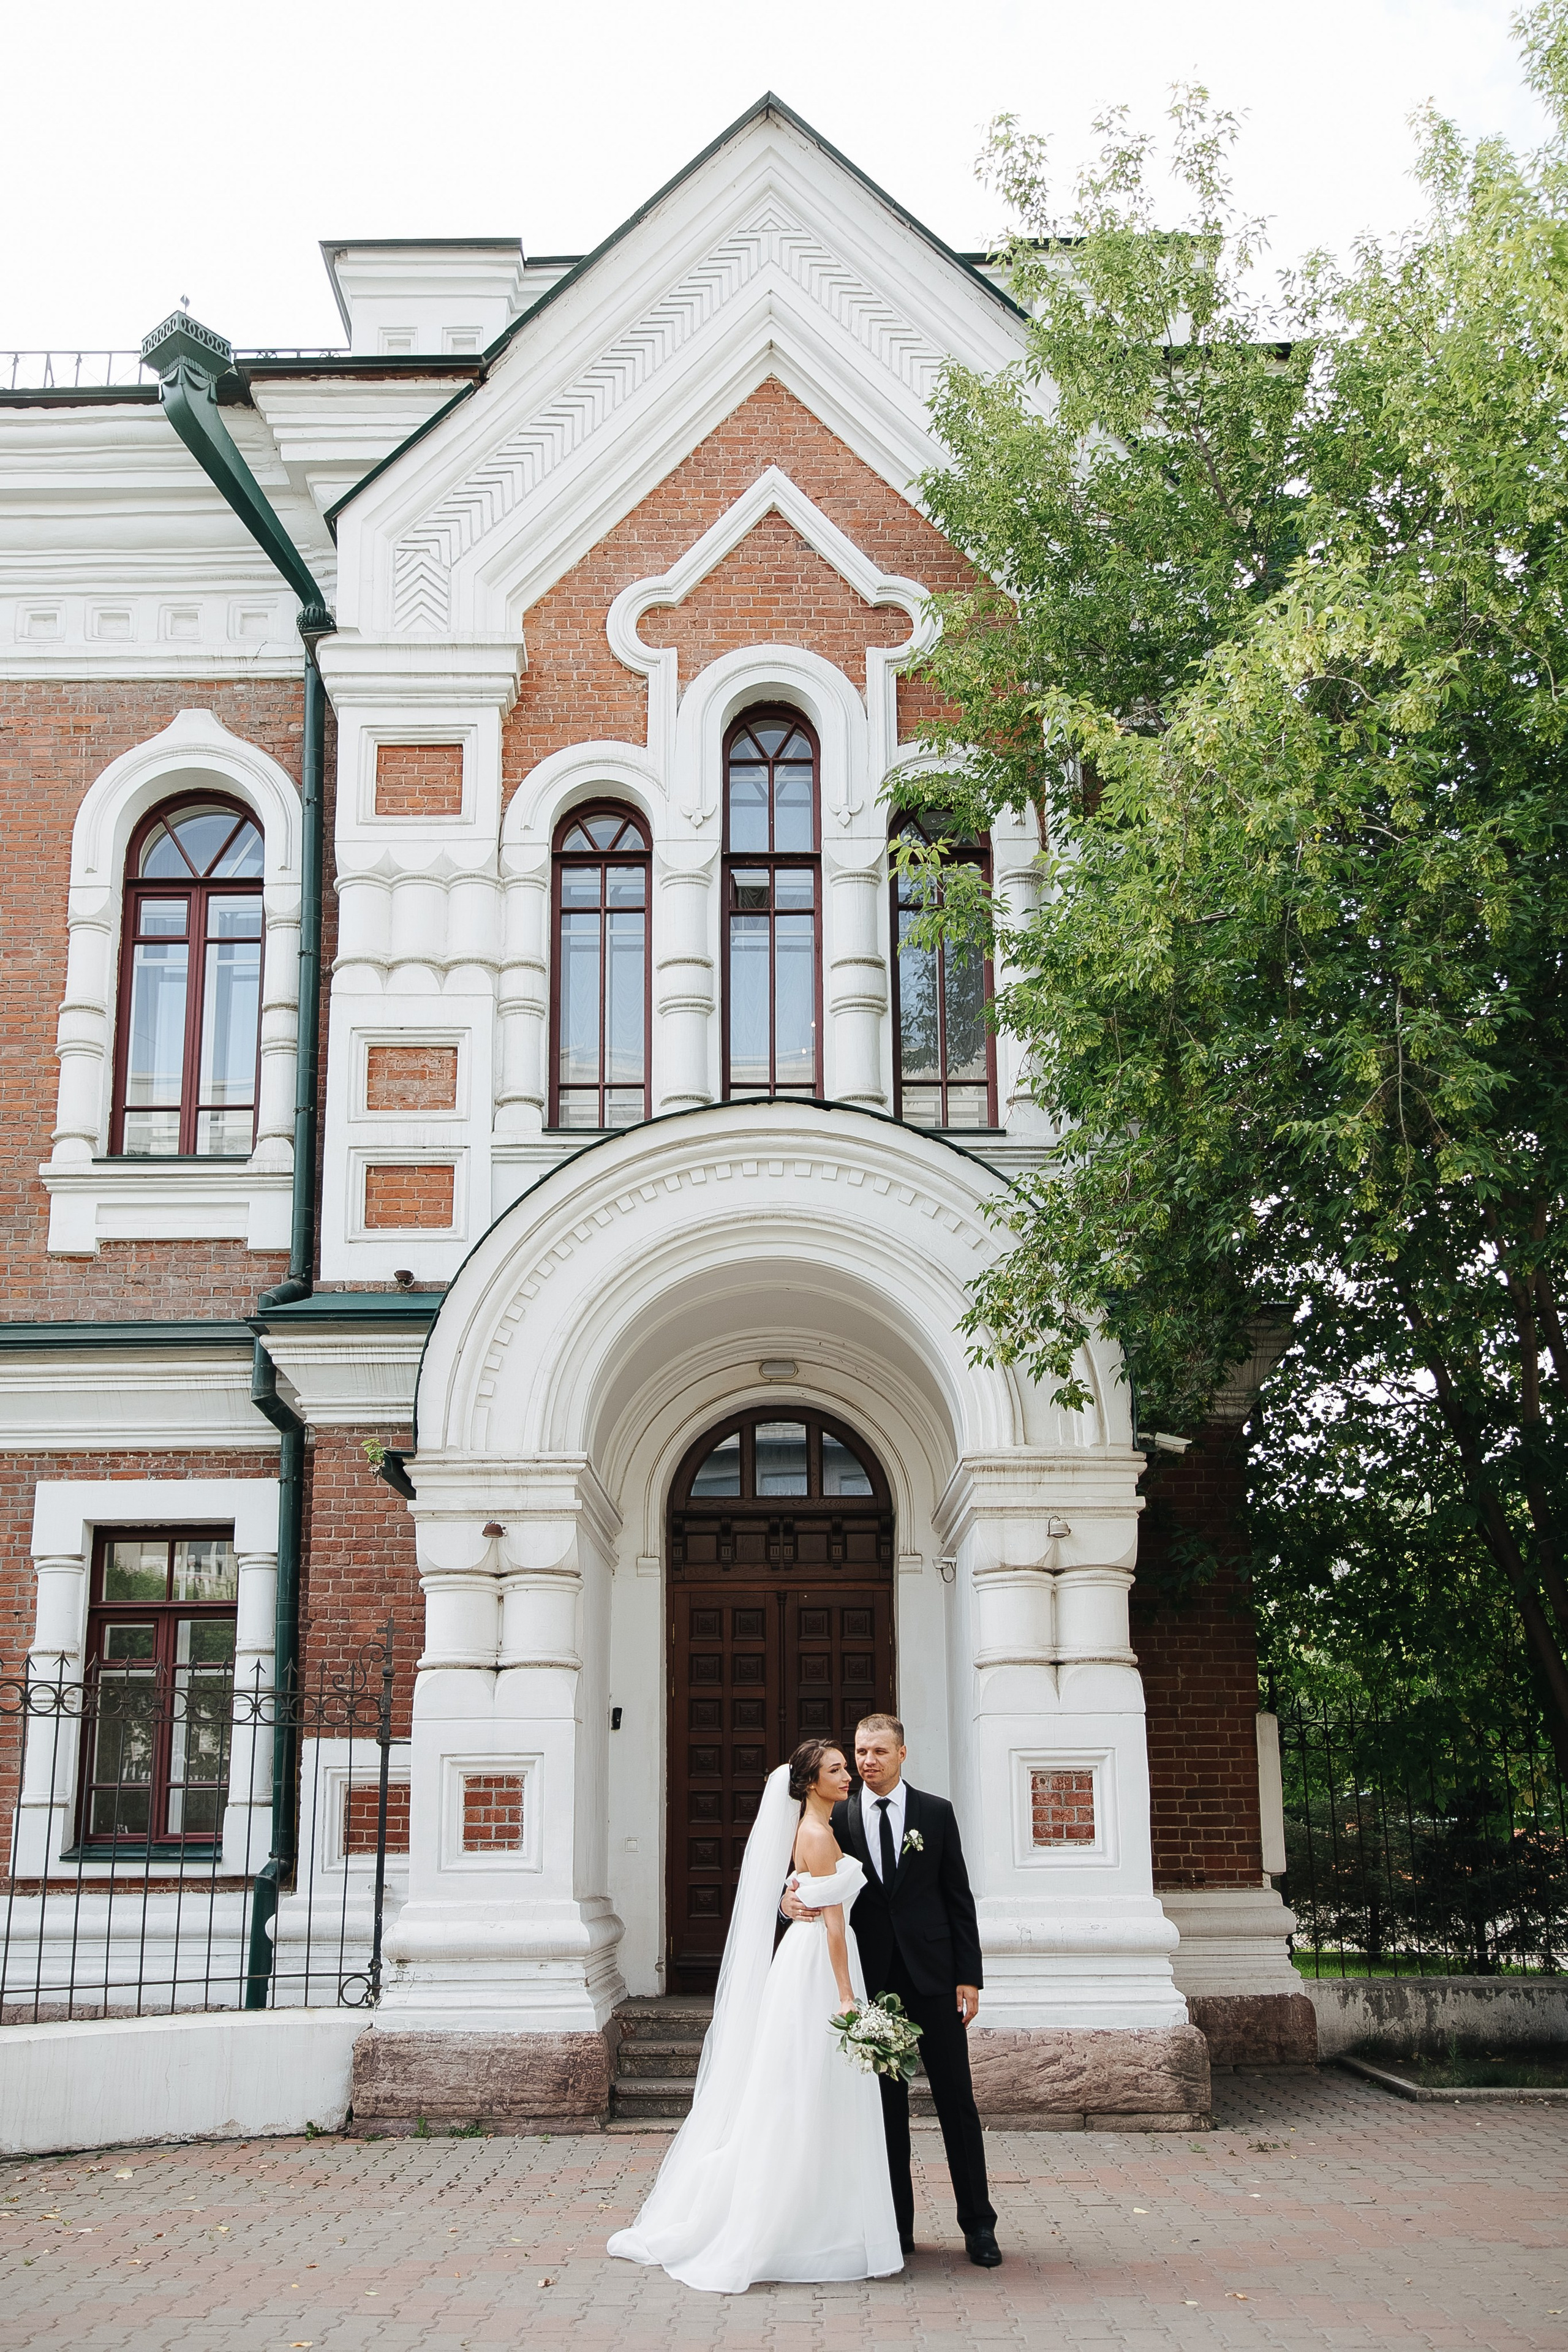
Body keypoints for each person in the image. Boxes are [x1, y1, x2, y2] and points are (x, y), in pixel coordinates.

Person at [607, 1737, 903, 2293]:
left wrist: (794, 1899)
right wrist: (846, 1994)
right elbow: (835, 1924)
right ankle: (799, 2228)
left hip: (807, 1957)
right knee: (804, 2088)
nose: (848, 1776)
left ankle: (820, 2223)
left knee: (806, 2087)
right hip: (820, 1964)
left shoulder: (820, 1830)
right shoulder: (815, 1835)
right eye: (837, 1770)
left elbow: (805, 1895)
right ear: (811, 1783)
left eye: (847, 1767)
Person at [781, 1713, 1001, 2267]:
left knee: (957, 2103)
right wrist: (787, 1903)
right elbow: (805, 1883)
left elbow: (959, 1898)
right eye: (860, 1752)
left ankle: (979, 2226)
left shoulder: (936, 1812)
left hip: (934, 1979)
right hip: (873, 1982)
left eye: (879, 1751)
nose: (867, 1761)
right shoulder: (839, 1819)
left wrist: (968, 1976)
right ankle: (896, 2231)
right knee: (885, 2114)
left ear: (903, 1754)